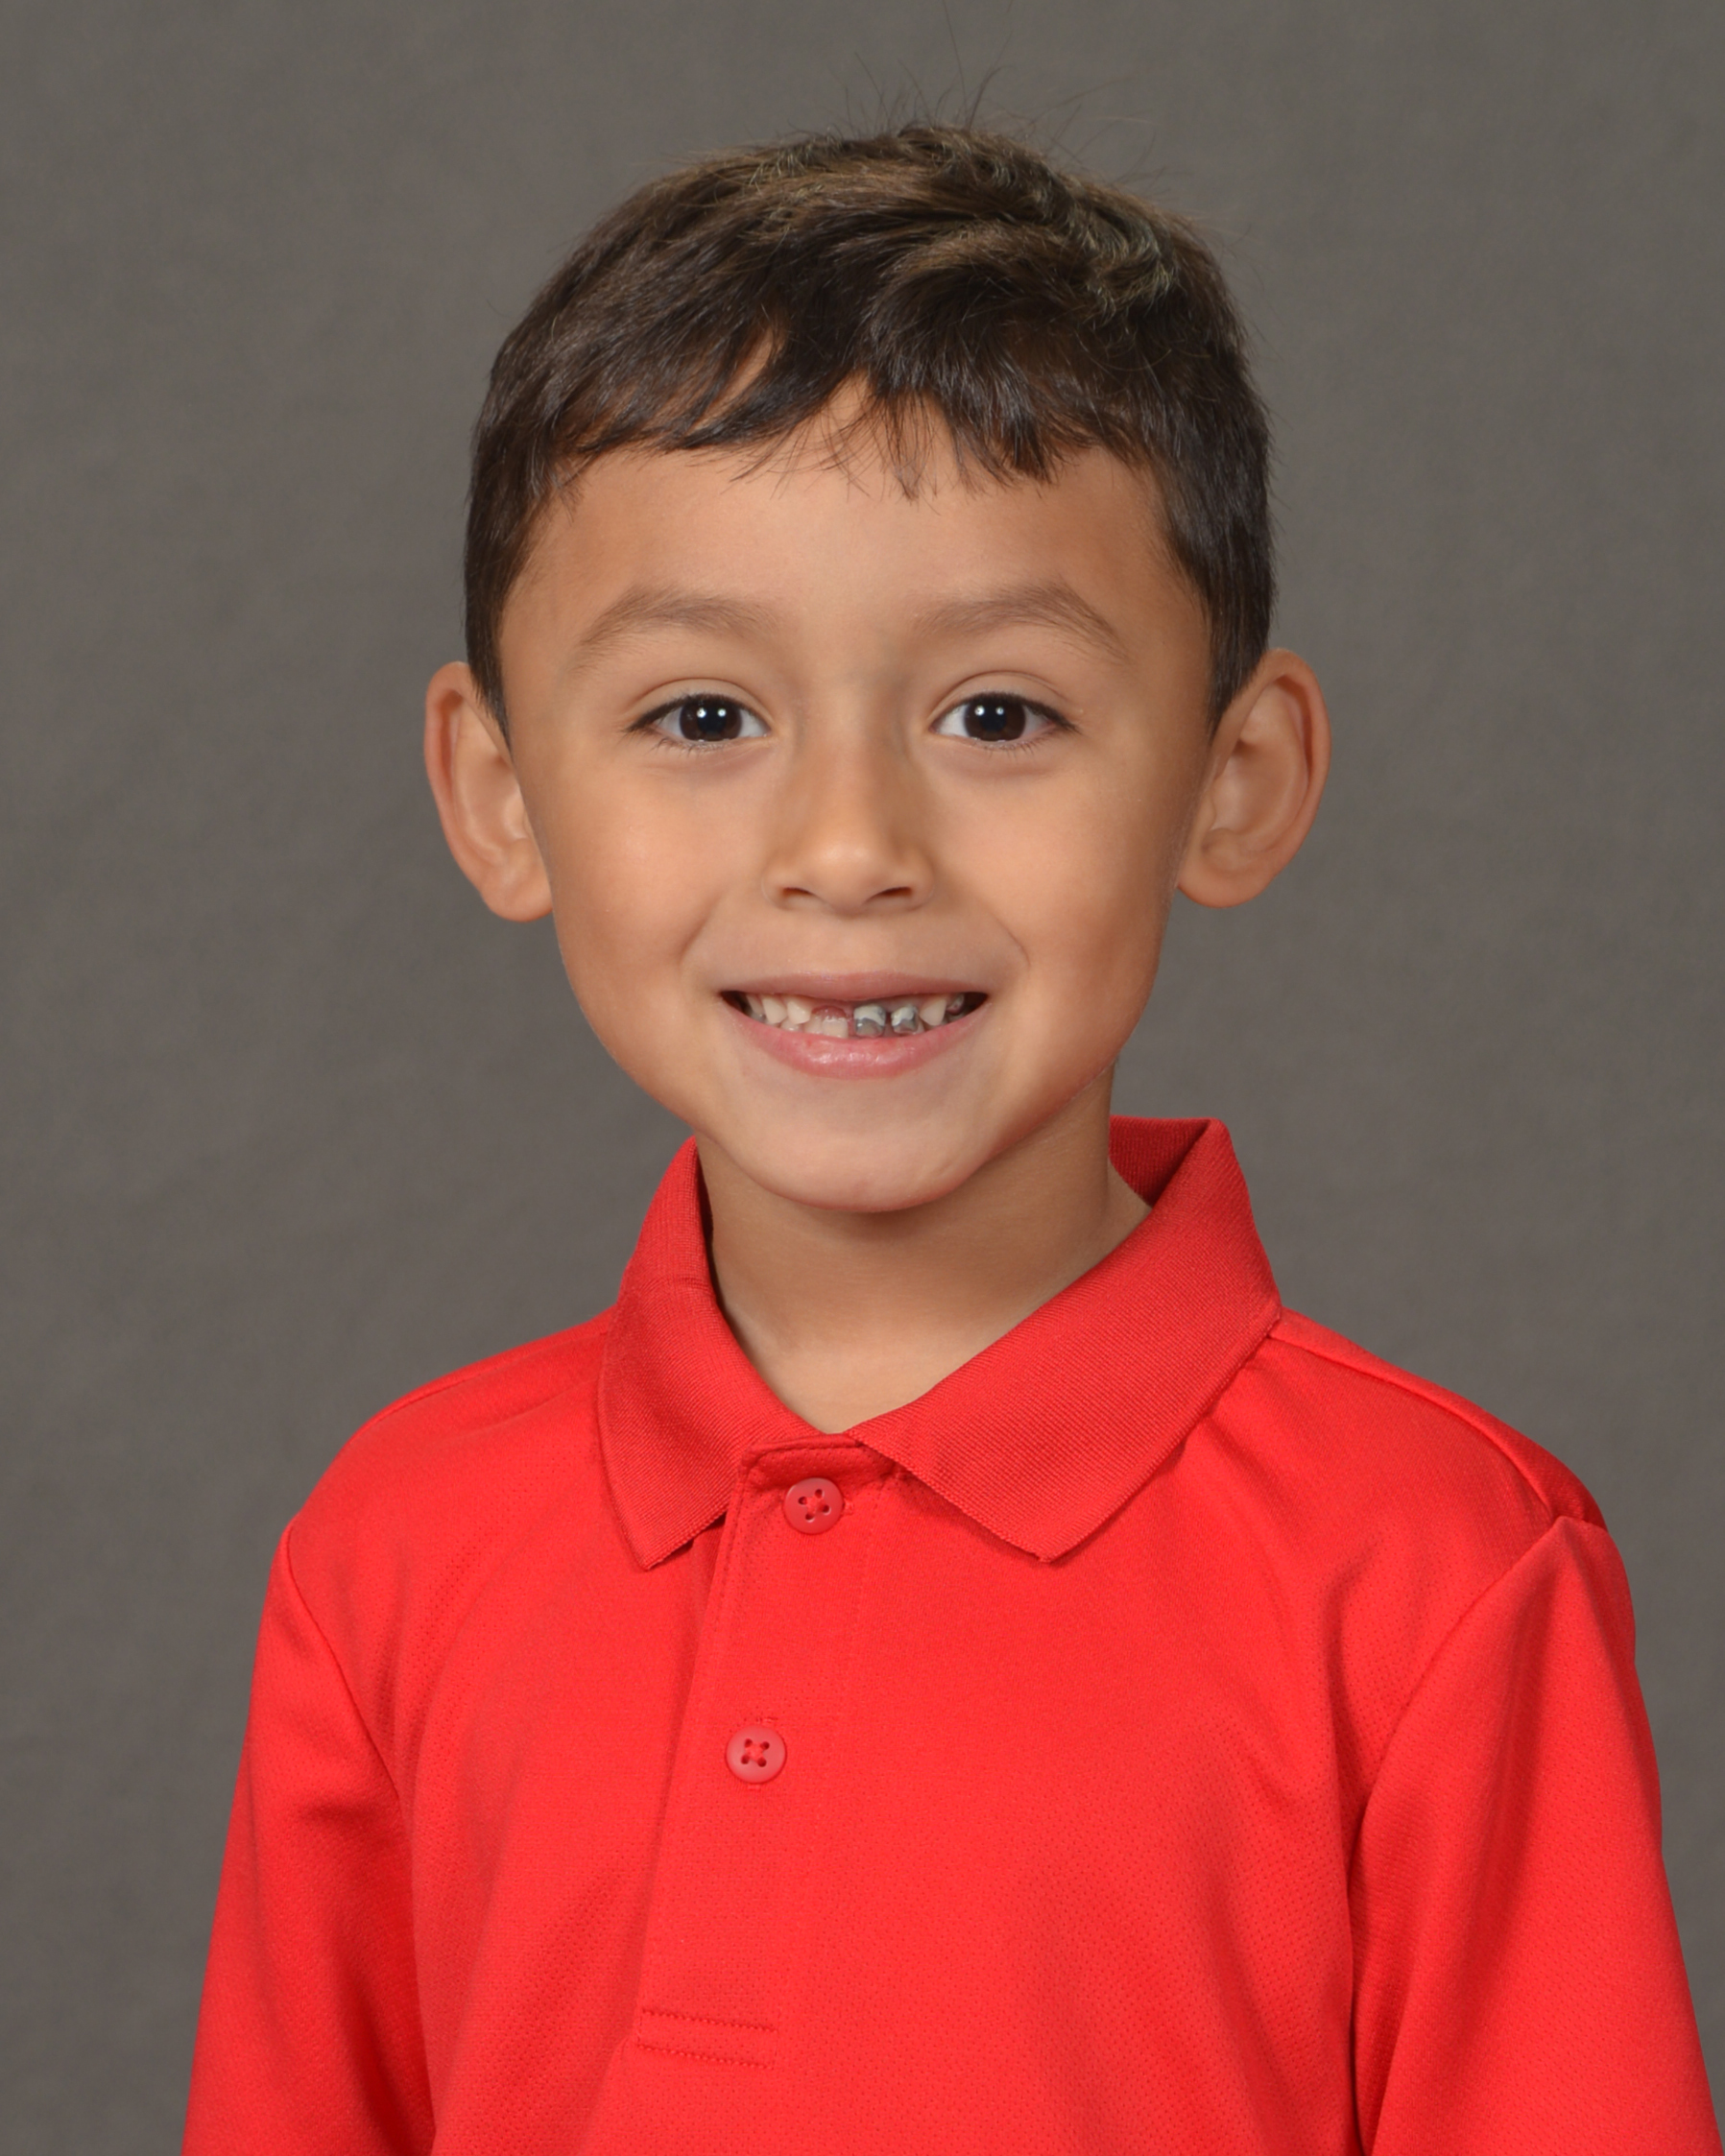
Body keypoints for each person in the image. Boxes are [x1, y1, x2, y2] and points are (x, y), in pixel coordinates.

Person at [181, 125, 1719, 2154]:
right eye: (702, 716)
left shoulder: (1436, 1574)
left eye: (996, 715)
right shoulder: (391, 1547)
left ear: (1234, 780)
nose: (847, 850)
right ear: (496, 795)